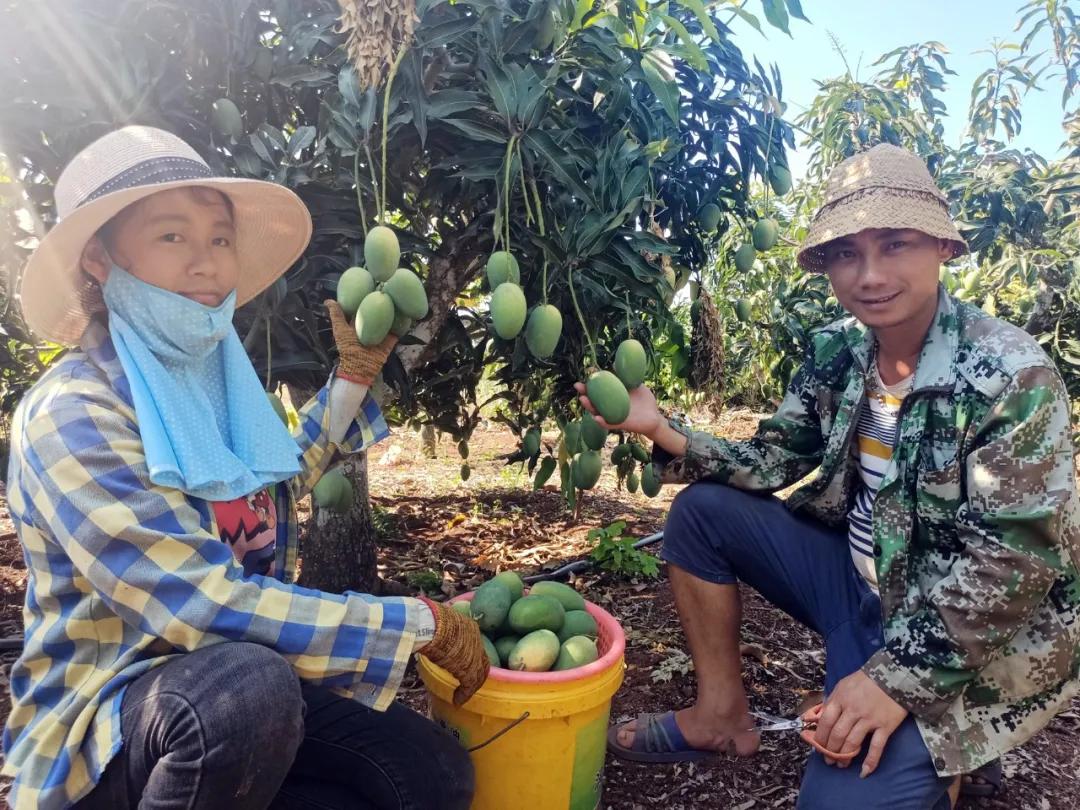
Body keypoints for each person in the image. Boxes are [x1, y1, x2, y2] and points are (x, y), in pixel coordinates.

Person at [578, 144, 1080, 809]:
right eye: (846, 253)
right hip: (859, 590)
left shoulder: (1009, 375)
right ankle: (722, 717)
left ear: (942, 248)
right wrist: (663, 430)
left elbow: (1013, 563)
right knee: (702, 514)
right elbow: (777, 456)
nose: (868, 275)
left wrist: (894, 680)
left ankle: (959, 743)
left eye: (895, 244)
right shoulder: (839, 352)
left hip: (963, 631)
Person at [1, 126, 489, 810]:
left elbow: (273, 484)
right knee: (243, 691)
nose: (207, 263)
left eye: (220, 239)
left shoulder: (212, 388)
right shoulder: (72, 414)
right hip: (114, 732)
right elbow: (202, 608)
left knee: (426, 770)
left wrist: (352, 376)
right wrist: (416, 623)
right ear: (100, 258)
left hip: (232, 719)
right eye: (173, 236)